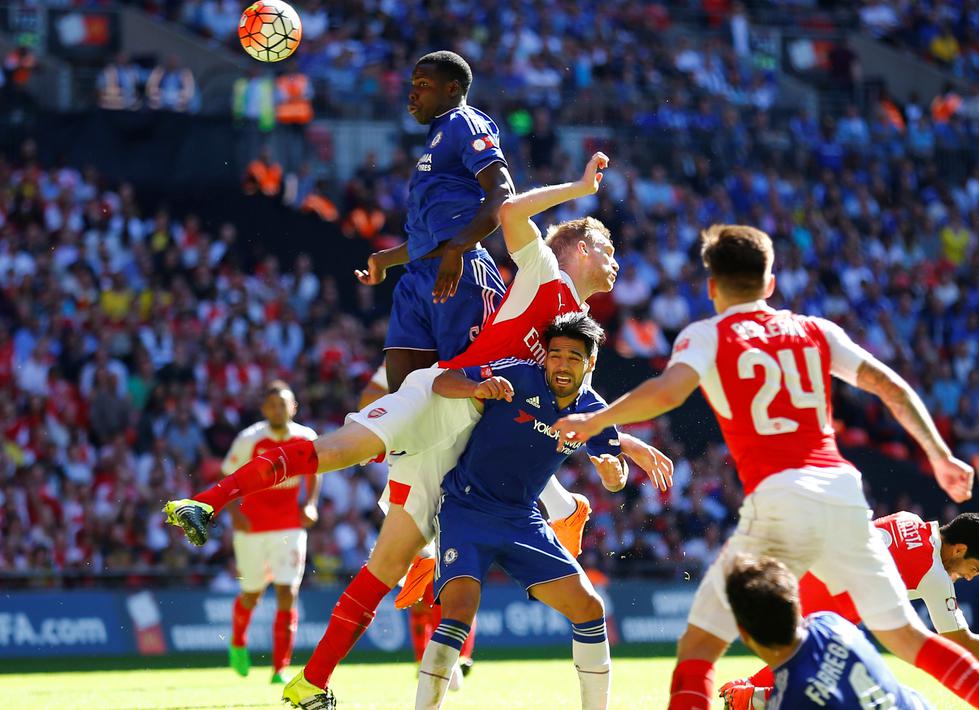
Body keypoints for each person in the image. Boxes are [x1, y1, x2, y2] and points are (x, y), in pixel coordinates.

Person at [164, 154, 671, 708]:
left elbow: (568, 414)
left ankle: (310, 681)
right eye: (608, 249)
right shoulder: (546, 273)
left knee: (387, 563)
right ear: (577, 248)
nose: (617, 261)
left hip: (467, 443)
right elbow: (510, 212)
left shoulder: (572, 341)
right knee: (338, 450)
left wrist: (623, 445)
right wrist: (577, 187)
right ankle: (207, 502)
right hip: (444, 393)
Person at [552, 224, 979, 709]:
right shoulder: (815, 330)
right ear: (770, 283)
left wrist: (597, 419)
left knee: (699, 649)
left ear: (712, 287)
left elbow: (666, 393)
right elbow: (890, 386)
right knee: (909, 639)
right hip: (841, 494)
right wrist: (939, 455)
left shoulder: (706, 335)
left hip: (776, 500)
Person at [415, 313, 628, 710]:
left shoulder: (596, 413)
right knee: (459, 612)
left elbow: (616, 475)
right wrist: (477, 387)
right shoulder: (517, 375)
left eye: (573, 357)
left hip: (521, 519)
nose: (562, 364)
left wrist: (614, 475)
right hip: (466, 507)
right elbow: (442, 381)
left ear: (591, 363)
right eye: (556, 355)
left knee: (589, 609)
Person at [721, 512, 979, 709]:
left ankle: (745, 690)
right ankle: (750, 697)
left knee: (808, 660)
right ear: (959, 549)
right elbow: (964, 646)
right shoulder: (936, 577)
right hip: (836, 600)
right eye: (975, 568)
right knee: (824, 679)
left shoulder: (909, 519)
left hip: (815, 567)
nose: (970, 578)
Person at [353, 50, 514, 395]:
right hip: (417, 280)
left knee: (468, 399)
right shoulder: (437, 137)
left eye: (423, 84)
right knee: (403, 400)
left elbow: (503, 192)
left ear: (452, 88)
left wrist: (459, 247)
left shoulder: (465, 122)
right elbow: (431, 236)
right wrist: (385, 259)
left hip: (461, 275)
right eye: (412, 84)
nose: (413, 92)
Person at [724, 554, 934, 710]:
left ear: (744, 634)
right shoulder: (830, 622)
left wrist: (756, 700)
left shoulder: (792, 700)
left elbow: (806, 691)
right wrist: (757, 696)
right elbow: (822, 684)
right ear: (798, 608)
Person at [220, 381, 320, 684]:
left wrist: (311, 504)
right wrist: (236, 514)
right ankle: (238, 641)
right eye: (272, 404)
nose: (278, 409)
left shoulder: (306, 437)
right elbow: (229, 478)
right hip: (252, 527)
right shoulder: (248, 439)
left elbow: (315, 473)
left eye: (283, 403)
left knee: (287, 592)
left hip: (289, 525)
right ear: (264, 409)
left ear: (294, 407)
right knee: (252, 593)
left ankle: (280, 668)